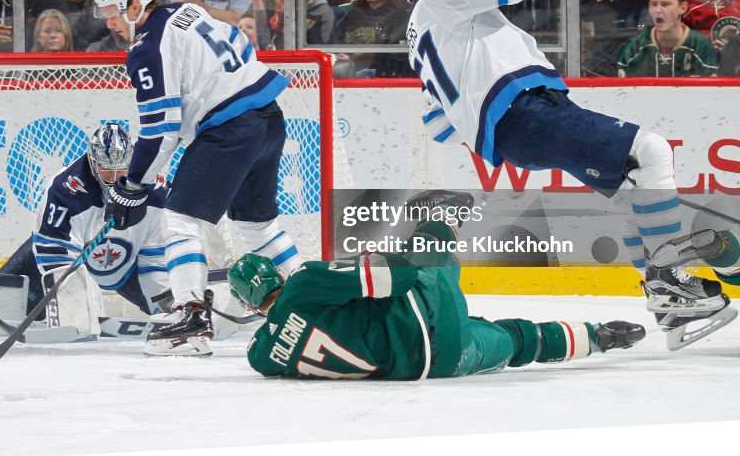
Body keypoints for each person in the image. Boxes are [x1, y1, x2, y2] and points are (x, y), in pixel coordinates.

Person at [394, 0, 738, 350]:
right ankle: (668, 282)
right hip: (528, 111)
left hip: (517, 133)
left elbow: (440, 128)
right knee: (651, 152)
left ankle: (667, 301)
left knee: (632, 188)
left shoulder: (421, 38)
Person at [93, 0, 303, 356]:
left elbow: (161, 130)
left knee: (180, 220)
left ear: (136, 5)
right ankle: (307, 294)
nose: (110, 24)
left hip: (230, 128)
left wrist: (132, 185)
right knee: (255, 223)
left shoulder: (146, 47)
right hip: (269, 117)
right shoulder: (185, 12)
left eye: (112, 13)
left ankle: (189, 315)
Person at [230, 190, 646, 380]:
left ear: (250, 308)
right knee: (424, 255)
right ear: (277, 275)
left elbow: (283, 334)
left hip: (439, 365)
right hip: (427, 317)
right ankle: (444, 215)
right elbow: (401, 275)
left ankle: (599, 338)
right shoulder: (302, 285)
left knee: (515, 341)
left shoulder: (262, 358)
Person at [0, 123, 172, 339]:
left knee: (169, 307)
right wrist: (72, 309)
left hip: (124, 267)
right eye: (107, 171)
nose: (116, 177)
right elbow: (53, 252)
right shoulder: (66, 188)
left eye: (122, 170)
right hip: (68, 260)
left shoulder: (156, 189)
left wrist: (164, 296)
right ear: (93, 163)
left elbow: (157, 254)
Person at [616, 0, 718, 78]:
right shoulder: (635, 46)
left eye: (665, 4)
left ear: (682, 8)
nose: (658, 10)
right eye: (654, 4)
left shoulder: (701, 46)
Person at [332, 0, 408, 77]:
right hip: (347, 74)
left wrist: (353, 59)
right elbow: (335, 44)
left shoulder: (401, 18)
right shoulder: (351, 15)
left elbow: (391, 55)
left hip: (384, 77)